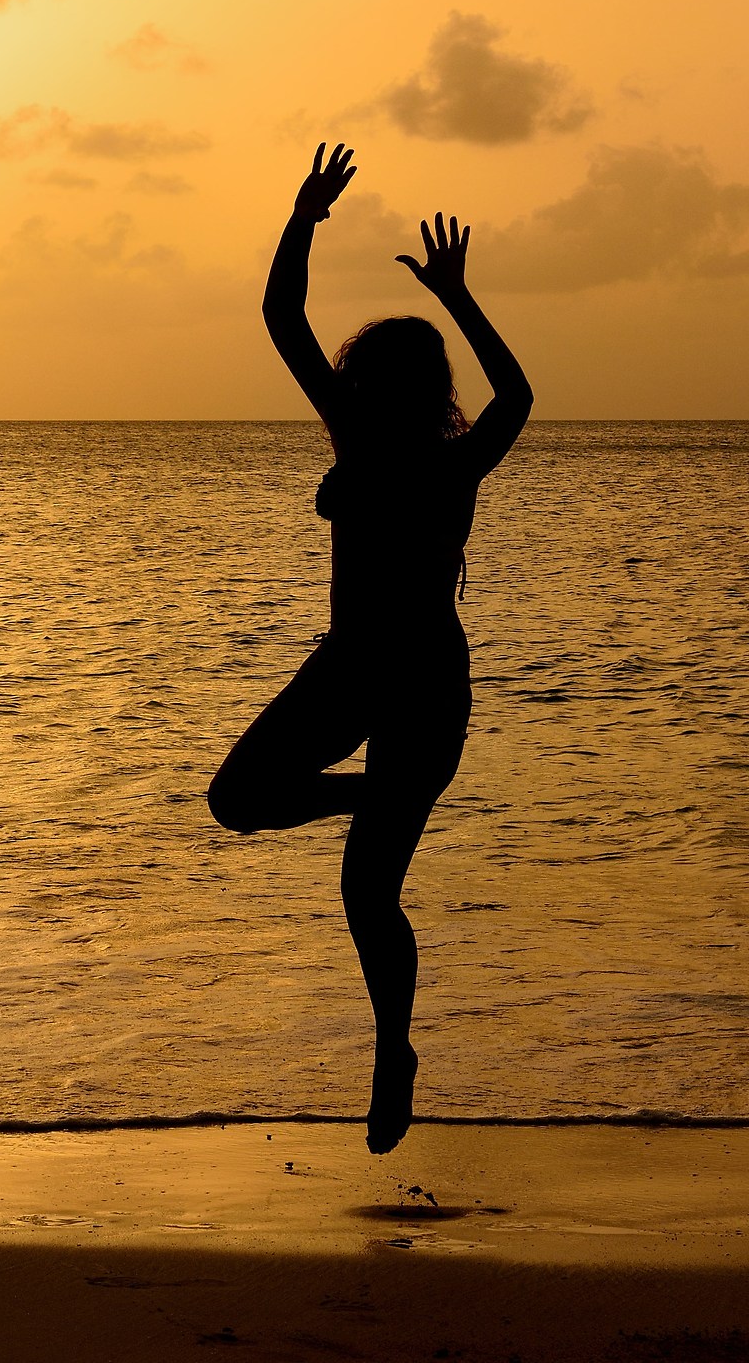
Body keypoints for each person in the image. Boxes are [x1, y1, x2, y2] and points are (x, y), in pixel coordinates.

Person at [207, 142, 534, 1154]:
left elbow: (515, 401)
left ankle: (394, 1048)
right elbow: (280, 323)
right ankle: (372, 798)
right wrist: (304, 222)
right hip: (361, 667)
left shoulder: (447, 456)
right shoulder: (370, 437)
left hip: (421, 680)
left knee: (366, 890)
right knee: (238, 800)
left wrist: (312, 223)